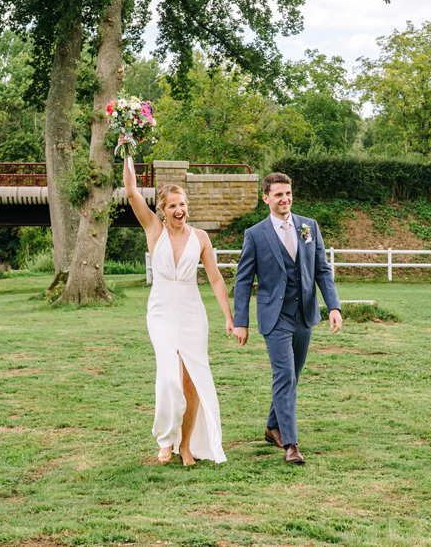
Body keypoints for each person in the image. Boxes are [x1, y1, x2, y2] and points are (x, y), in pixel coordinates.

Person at [123, 156, 233, 465]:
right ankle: (165, 439)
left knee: (192, 381)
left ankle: (185, 445)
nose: (178, 210)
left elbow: (215, 277)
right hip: (161, 310)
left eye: (182, 204)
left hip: (192, 311)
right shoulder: (154, 230)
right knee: (169, 377)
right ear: (162, 210)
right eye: (172, 205)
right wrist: (127, 151)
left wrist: (228, 316)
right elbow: (131, 192)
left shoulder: (201, 238)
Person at [233, 172, 342, 465]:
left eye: (288, 193)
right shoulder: (255, 234)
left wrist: (333, 306)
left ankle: (272, 427)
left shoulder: (309, 227)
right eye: (279, 194)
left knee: (292, 376)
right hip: (274, 316)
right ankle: (291, 444)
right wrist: (241, 321)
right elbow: (243, 280)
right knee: (284, 375)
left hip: (304, 314)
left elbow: (322, 269)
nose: (285, 199)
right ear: (266, 198)